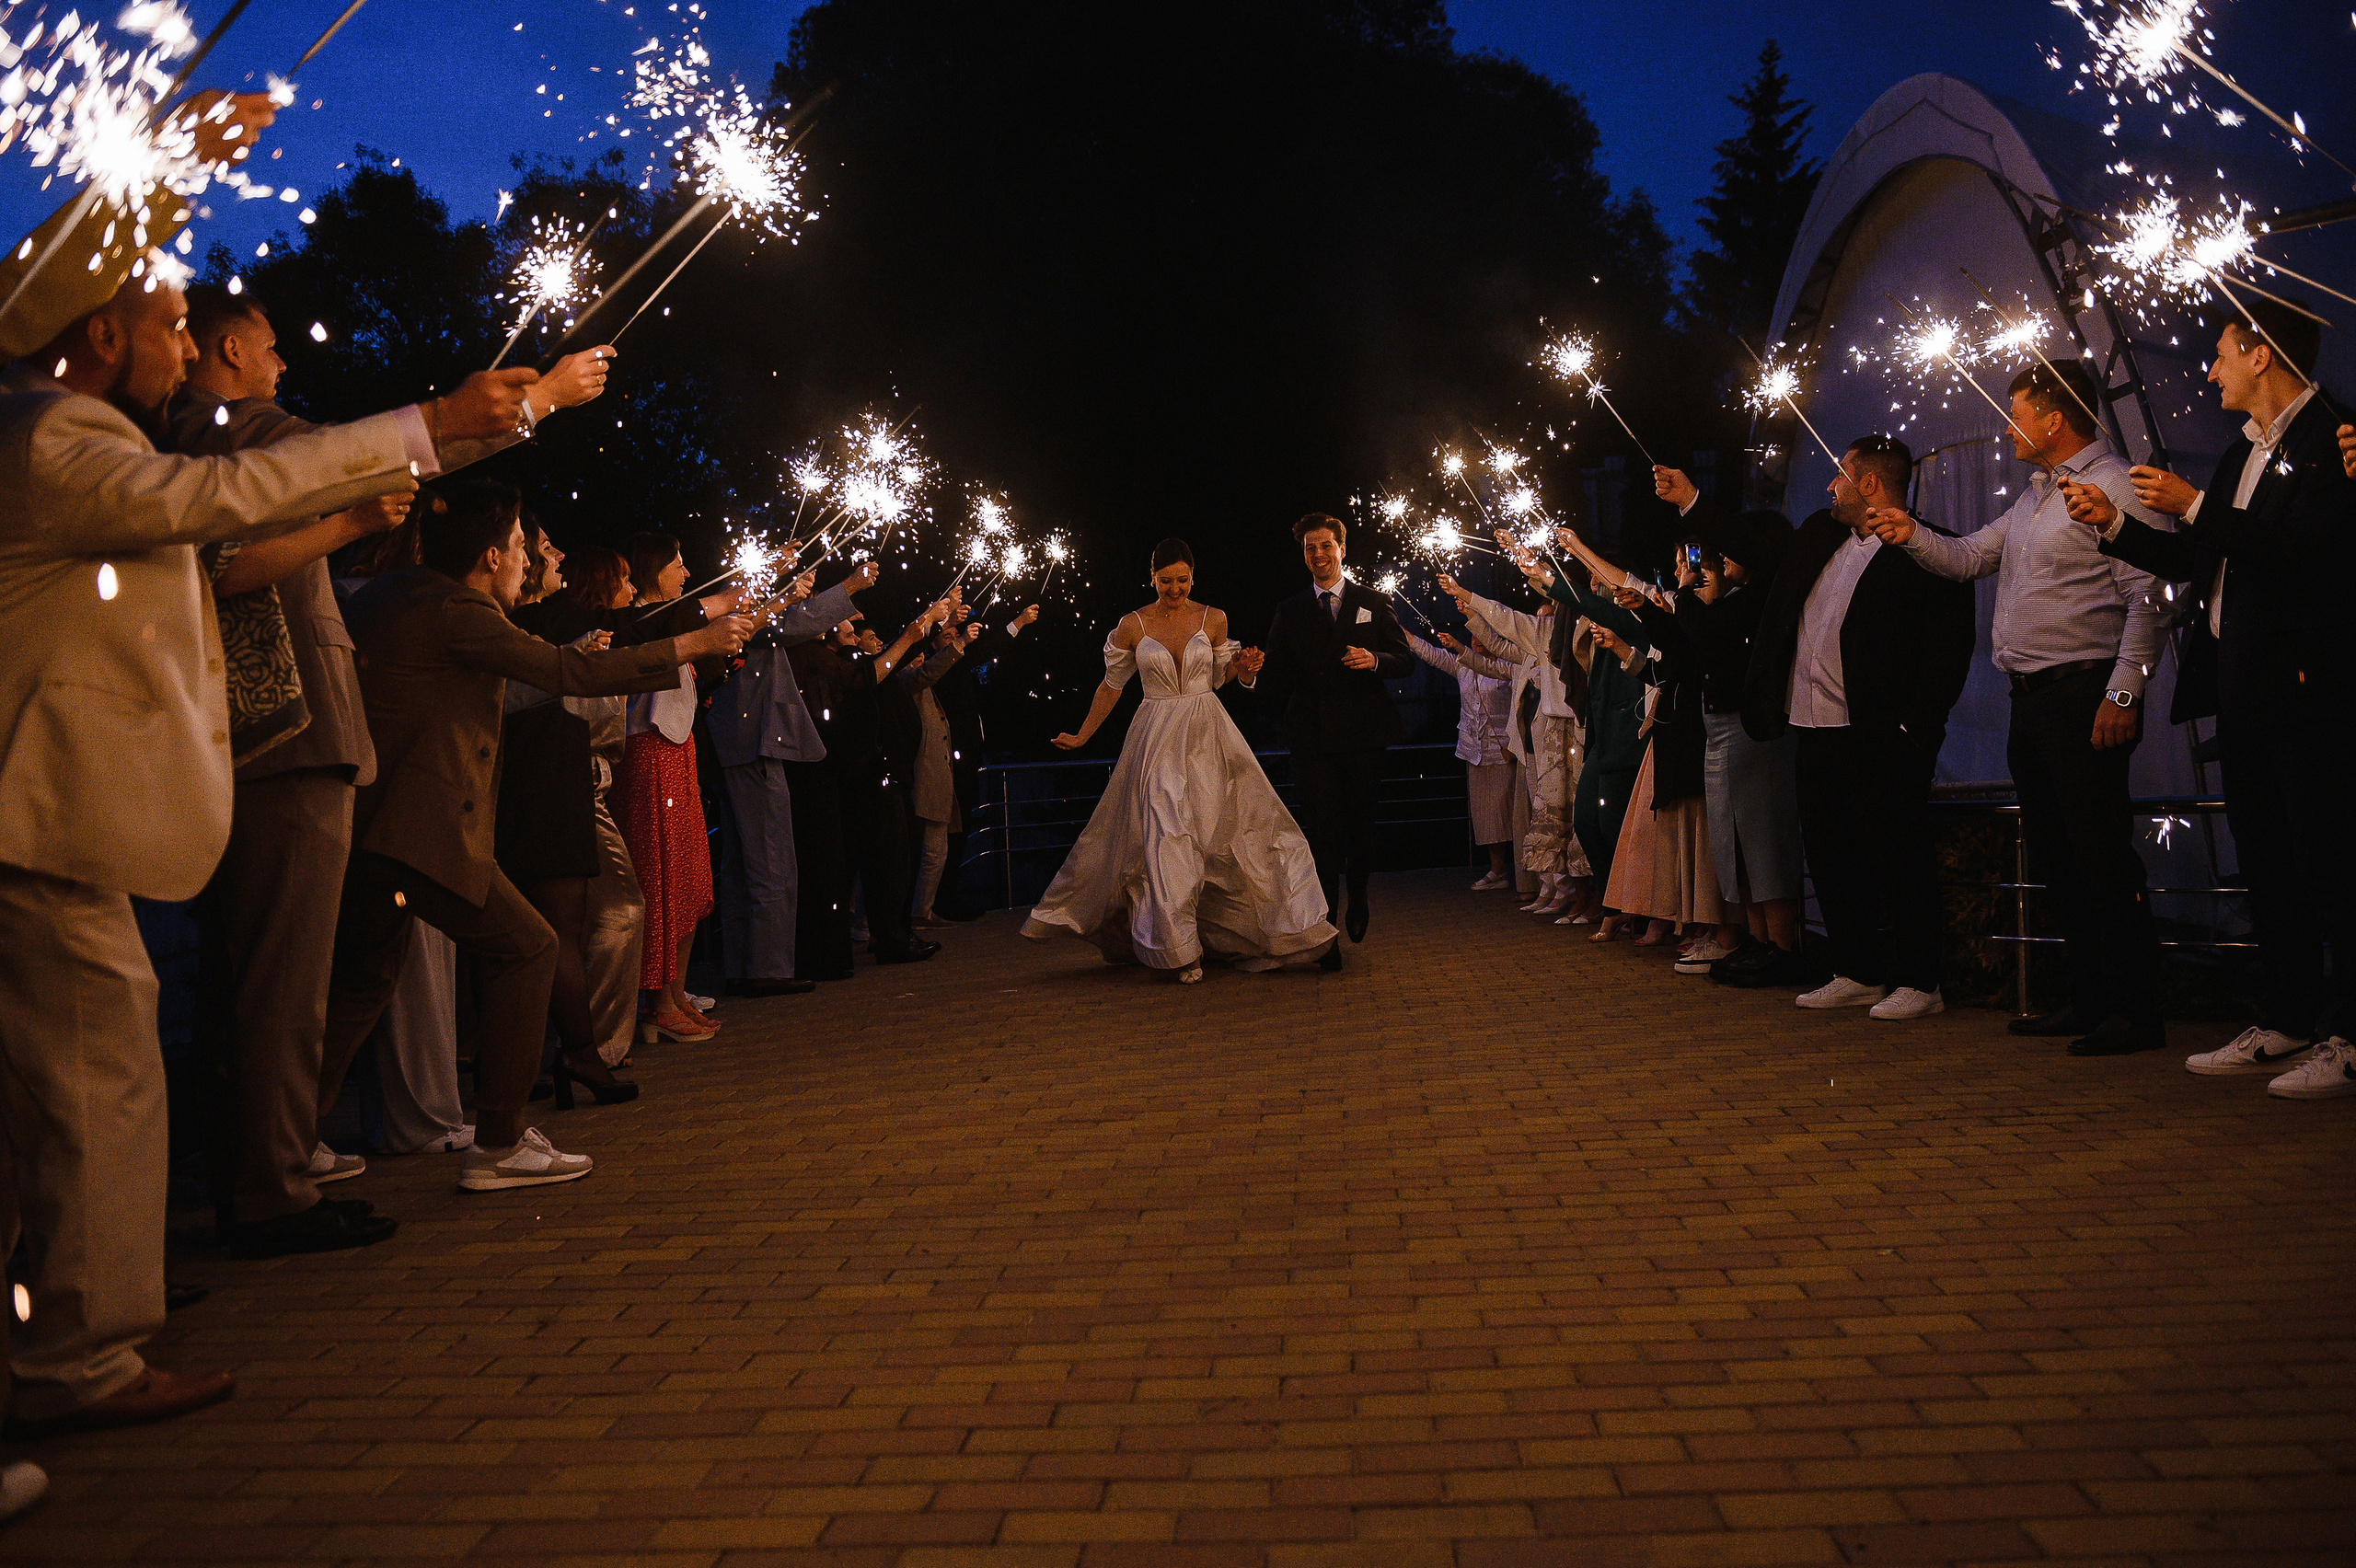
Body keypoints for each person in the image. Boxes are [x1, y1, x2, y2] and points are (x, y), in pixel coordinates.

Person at [0, 255, 506, 1436]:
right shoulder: (55, 439)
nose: (187, 352)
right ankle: (77, 1360)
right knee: (100, 1084)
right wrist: (431, 422)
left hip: (40, 821)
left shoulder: (40, 428)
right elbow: (231, 504)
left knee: (53, 1089)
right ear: (104, 337)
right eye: (169, 327)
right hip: (37, 824)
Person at [166, 282, 615, 1255]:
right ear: (231, 354)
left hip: (294, 753)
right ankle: (271, 1185)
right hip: (288, 741)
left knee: (318, 976)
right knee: (285, 983)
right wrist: (527, 409)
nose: (285, 366)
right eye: (273, 348)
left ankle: (280, 1157)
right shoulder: (231, 433)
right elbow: (331, 474)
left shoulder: (206, 445)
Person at [318, 484, 753, 1193]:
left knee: (360, 984)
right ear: (491, 557)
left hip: (370, 826)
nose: (529, 561)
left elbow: (518, 691)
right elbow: (562, 672)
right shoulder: (456, 609)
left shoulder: (397, 597)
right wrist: (694, 642)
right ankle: (497, 1142)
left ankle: (288, 1143)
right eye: (523, 548)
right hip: (416, 831)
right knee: (530, 946)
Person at [2065, 298, 2356, 1097]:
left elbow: (2301, 553)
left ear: (2262, 356)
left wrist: (2196, 505)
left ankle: (2347, 1034)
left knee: (2328, 865)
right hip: (2243, 688)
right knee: (2266, 863)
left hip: (2309, 690)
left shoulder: (2334, 437)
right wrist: (2118, 528)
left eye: (2223, 353)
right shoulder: (2239, 456)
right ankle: (2286, 1018)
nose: (2209, 368)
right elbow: (2200, 558)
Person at [1865, 360, 2172, 1057]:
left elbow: (2146, 597)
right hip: (2032, 702)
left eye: (2017, 413)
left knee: (2101, 858)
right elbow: (1970, 556)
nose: (2007, 427)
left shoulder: (2116, 486)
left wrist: (2123, 691)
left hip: (2085, 695)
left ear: (2053, 420)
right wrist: (1909, 532)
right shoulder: (2037, 495)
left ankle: (2135, 1008)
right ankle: (2086, 997)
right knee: (2062, 860)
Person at [1025, 538, 1338, 982]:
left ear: (1194, 576)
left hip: (1208, 731)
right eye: (1166, 580)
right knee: (1167, 832)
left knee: (1238, 828)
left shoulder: (1213, 618)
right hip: (1155, 737)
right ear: (1152, 578)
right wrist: (1082, 736)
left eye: (1183, 580)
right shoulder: (1132, 625)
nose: (1175, 588)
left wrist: (1245, 669)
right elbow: (1110, 686)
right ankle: (1178, 949)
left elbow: (1218, 676)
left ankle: (1283, 927)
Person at [1742, 434, 1976, 1020]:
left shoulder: (1931, 550)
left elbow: (1947, 652)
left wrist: (1914, 729)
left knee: (1897, 856)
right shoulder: (1824, 539)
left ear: (1869, 483)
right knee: (1831, 853)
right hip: (1816, 727)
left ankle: (1921, 981)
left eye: (1838, 475)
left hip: (1880, 734)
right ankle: (1856, 970)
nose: (1827, 487)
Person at [1637, 481, 1809, 986]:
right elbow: (1687, 644)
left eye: (1734, 550)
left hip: (1749, 727)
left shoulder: (1760, 598)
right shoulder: (1733, 600)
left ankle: (1779, 944)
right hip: (1719, 726)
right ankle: (1757, 940)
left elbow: (1710, 637)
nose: (1723, 559)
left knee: (1758, 836)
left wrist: (1688, 593)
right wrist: (1649, 608)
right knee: (1731, 841)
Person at [1240, 514, 1413, 951]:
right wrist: (1249, 675)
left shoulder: (1372, 600)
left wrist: (1375, 660)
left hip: (1364, 733)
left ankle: (1359, 896)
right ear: (1303, 555)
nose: (1318, 555)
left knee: (1361, 825)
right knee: (1321, 833)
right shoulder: (1291, 609)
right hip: (1311, 737)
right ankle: (1326, 930)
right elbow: (1274, 673)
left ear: (1341, 549)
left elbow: (1404, 658)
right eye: (1309, 548)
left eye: (1325, 546)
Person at [705, 561, 865, 996]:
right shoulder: (739, 616)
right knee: (772, 861)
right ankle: (770, 969)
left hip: (736, 743)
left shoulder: (732, 613)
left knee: (741, 864)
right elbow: (789, 625)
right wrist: (847, 587)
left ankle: (744, 965)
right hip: (753, 742)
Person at [617, 531, 737, 1040]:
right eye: (678, 562)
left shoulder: (674, 620)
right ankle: (656, 1002)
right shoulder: (639, 622)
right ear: (653, 568)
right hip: (649, 755)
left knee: (688, 875)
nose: (686, 572)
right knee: (660, 874)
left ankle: (676, 992)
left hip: (681, 751)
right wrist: (727, 601)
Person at [789, 603, 953, 970]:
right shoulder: (838, 663)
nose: (854, 629)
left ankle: (890, 934)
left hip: (880, 776)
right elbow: (875, 674)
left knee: (891, 862)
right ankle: (884, 938)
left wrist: (932, 623)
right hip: (865, 778)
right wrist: (915, 632)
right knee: (885, 863)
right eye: (847, 628)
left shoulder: (846, 661)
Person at [1435, 577, 1592, 919]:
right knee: (1546, 820)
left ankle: (1580, 895)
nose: (1542, 625)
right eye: (1539, 619)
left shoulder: (1578, 645)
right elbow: (1501, 646)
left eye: (1548, 618)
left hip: (1573, 738)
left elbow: (1509, 627)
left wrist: (1470, 597)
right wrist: (1471, 612)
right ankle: (1553, 889)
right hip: (1540, 744)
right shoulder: (1531, 655)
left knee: (1573, 819)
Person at [910, 601, 1042, 924]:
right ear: (935, 642)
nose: (957, 640)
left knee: (958, 831)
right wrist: (1018, 623)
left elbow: (984, 650)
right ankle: (939, 902)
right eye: (949, 636)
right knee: (949, 835)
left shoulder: (955, 665)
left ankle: (943, 898)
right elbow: (981, 650)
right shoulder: (939, 669)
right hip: (950, 759)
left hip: (965, 757)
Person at [1404, 624, 1517, 889]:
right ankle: (1497, 871)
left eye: (1482, 634)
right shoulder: (1463, 664)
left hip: (1505, 750)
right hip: (1474, 749)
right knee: (1485, 814)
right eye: (1473, 635)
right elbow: (1432, 654)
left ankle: (1529, 875)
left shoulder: (1509, 665)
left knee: (1510, 811)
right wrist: (1406, 636)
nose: (1476, 640)